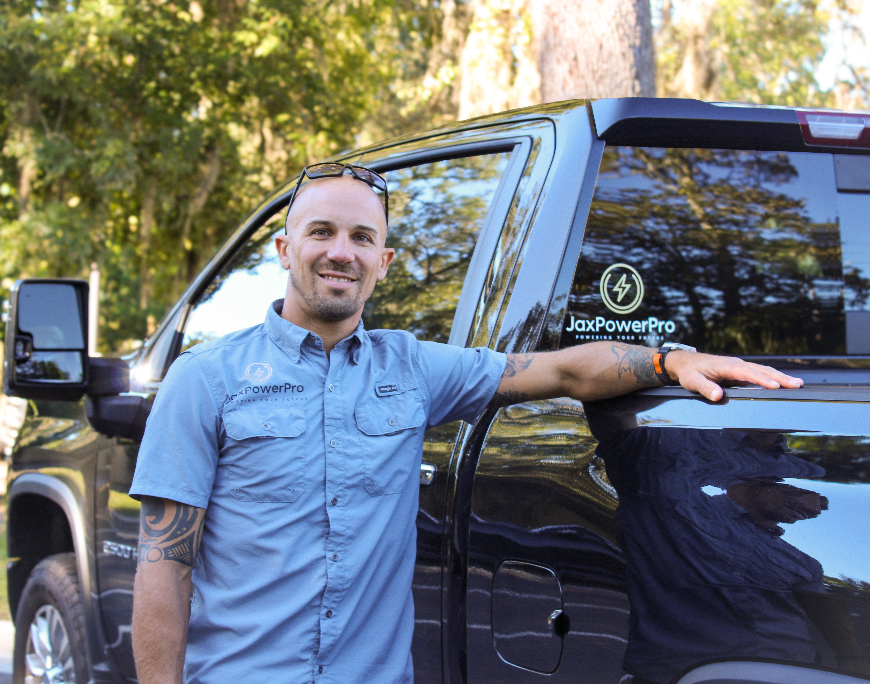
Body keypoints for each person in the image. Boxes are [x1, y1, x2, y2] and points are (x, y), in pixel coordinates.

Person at [129, 164, 803, 684]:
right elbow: (165, 564)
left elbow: (564, 371)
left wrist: (670, 359)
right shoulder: (206, 379)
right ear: (285, 248)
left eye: (363, 238)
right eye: (322, 232)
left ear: (383, 263)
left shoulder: (414, 369)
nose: (342, 252)